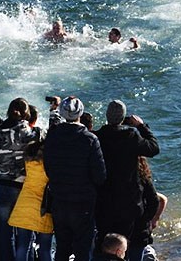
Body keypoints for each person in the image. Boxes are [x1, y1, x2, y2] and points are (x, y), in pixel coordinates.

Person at [94, 101, 162, 261]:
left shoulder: (97, 137)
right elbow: (153, 148)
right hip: (129, 202)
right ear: (123, 117)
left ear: (106, 116)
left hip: (104, 201)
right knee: (130, 245)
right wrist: (141, 126)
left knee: (107, 246)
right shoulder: (130, 136)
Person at [43, 96, 106, 261]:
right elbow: (100, 176)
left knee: (62, 248)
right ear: (81, 113)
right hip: (83, 203)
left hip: (59, 200)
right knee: (83, 249)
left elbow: (48, 168)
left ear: (63, 113)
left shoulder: (53, 135)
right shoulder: (90, 139)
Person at [0, 98, 43, 261]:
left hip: (0, 185)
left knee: (3, 232)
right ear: (26, 114)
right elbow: (44, 137)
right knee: (24, 231)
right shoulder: (26, 131)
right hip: (21, 187)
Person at [8, 138, 53, 261]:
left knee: (23, 246)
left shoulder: (30, 156)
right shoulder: (52, 160)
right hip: (43, 206)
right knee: (45, 249)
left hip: (25, 204)